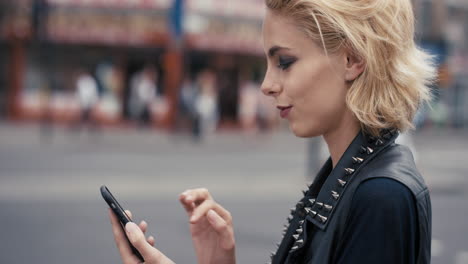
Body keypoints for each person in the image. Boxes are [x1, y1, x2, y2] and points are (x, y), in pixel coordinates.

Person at [107, 0, 435, 263]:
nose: (266, 85)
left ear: (352, 58)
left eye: (285, 62)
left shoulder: (381, 197)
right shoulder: (353, 174)